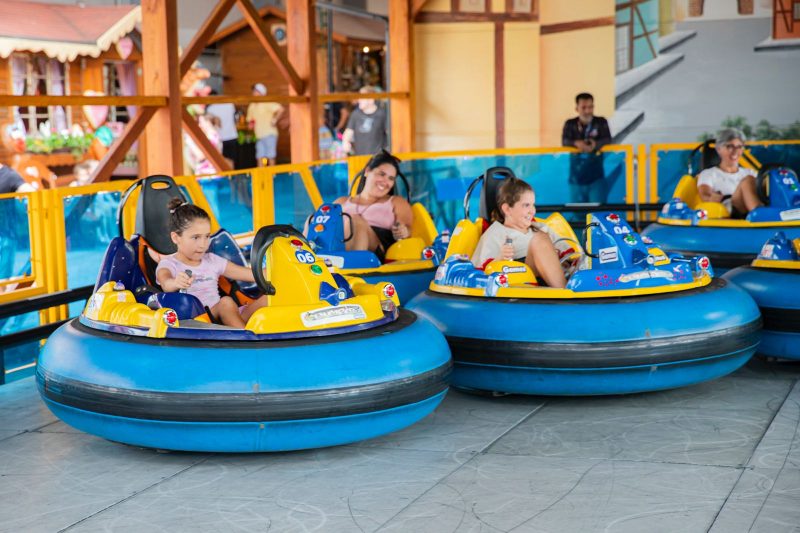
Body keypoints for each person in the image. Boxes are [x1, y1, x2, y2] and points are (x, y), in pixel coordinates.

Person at [156, 199, 266, 328]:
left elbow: (253, 274)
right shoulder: (169, 264)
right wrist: (175, 283)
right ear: (176, 238)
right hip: (199, 321)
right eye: (196, 237)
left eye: (207, 236)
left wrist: (282, 271)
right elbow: (165, 283)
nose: (203, 244)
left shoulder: (212, 260)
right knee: (226, 302)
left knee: (269, 299)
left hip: (226, 316)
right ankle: (249, 339)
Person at [471, 177, 567, 288]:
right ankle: (566, 295)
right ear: (507, 209)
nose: (533, 211)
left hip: (560, 276)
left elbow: (572, 254)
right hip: (523, 283)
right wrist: (500, 258)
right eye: (526, 205)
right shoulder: (494, 234)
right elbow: (479, 274)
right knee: (539, 239)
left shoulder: (540, 227)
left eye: (533, 205)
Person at [329, 150, 413, 257]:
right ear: (367, 171)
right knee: (313, 219)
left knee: (356, 221)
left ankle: (354, 266)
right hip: (337, 246)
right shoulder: (341, 202)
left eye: (391, 178)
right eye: (382, 174)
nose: (385, 181)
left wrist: (403, 231)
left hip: (377, 251)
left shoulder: (396, 202)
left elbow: (408, 228)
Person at [696, 128, 762, 217]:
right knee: (748, 180)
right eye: (730, 146)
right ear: (719, 149)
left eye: (739, 147)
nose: (735, 152)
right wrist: (711, 198)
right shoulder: (708, 174)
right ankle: (760, 215)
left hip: (750, 210)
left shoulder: (750, 172)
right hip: (728, 210)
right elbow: (704, 194)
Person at [561, 92, 612, 204]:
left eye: (590, 107)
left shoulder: (601, 122)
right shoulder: (570, 124)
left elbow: (608, 140)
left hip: (596, 176)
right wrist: (577, 143)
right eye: (584, 107)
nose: (587, 111)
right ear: (577, 108)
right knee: (576, 212)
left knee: (597, 211)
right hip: (575, 176)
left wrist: (595, 145)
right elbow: (564, 141)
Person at [342, 86, 388, 156]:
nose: (359, 100)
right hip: (360, 158)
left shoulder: (381, 114)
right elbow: (348, 131)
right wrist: (345, 141)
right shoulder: (356, 114)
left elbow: (389, 133)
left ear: (371, 100)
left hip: (378, 159)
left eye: (362, 97)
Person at [246, 83, 283, 166]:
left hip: (269, 133)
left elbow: (280, 109)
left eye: (256, 91)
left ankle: (272, 175)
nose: (254, 93)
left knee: (271, 156)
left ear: (261, 93)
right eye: (254, 91)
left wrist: (274, 120)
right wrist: (251, 125)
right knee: (260, 156)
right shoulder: (252, 105)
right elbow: (251, 120)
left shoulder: (267, 102)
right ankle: (261, 177)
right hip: (259, 135)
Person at [206, 90, 239, 167]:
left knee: (220, 162)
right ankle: (231, 177)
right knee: (231, 160)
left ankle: (224, 178)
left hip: (219, 138)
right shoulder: (229, 104)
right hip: (232, 136)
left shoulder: (210, 109)